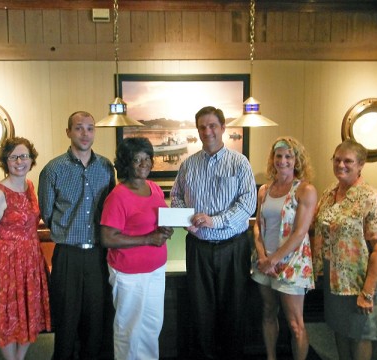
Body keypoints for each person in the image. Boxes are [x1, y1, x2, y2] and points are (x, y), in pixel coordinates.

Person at [170, 106, 257, 359]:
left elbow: (247, 204)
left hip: (233, 247)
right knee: (200, 311)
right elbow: (175, 196)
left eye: (212, 126)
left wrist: (214, 221)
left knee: (235, 310)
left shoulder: (240, 163)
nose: (207, 131)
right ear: (197, 130)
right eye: (202, 127)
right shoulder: (188, 165)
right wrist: (186, 219)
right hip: (198, 248)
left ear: (223, 128)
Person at [38, 111, 116, 360]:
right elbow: (47, 213)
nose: (85, 133)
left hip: (97, 255)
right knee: (66, 320)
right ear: (68, 132)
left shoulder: (105, 167)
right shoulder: (53, 169)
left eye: (90, 128)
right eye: (79, 128)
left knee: (96, 321)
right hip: (67, 255)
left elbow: (110, 208)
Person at [314, 139, 377, 360]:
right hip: (333, 277)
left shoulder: (371, 198)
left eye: (348, 161)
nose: (341, 165)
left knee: (359, 335)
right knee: (339, 329)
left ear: (360, 165)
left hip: (359, 281)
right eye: (337, 160)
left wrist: (367, 293)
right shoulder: (330, 192)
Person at [100, 137, 174, 360]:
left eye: (147, 158)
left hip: (156, 270)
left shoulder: (153, 188)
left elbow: (156, 222)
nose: (144, 164)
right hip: (129, 274)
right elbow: (107, 237)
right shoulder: (118, 196)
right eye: (137, 159)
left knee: (152, 327)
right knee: (129, 330)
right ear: (126, 163)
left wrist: (165, 230)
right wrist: (148, 239)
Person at [0, 137, 51, 360]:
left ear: (31, 160)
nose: (20, 161)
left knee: (29, 314)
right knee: (9, 317)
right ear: (5, 161)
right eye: (14, 157)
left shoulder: (29, 186)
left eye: (24, 156)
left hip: (30, 262)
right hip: (6, 265)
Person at [251, 137, 317, 360]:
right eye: (279, 156)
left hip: (291, 265)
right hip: (264, 263)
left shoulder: (305, 190)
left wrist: (274, 260)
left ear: (296, 160)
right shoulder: (264, 190)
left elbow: (300, 232)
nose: (283, 161)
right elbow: (258, 226)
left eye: (288, 156)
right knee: (269, 313)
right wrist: (262, 256)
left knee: (295, 323)